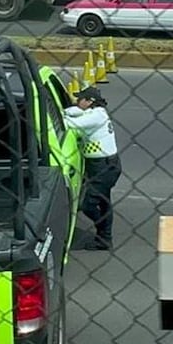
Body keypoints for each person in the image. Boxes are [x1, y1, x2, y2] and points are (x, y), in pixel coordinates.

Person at [64, 86, 121, 251]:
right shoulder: (95, 113)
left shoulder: (95, 117)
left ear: (89, 101)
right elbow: (75, 111)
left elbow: (70, 124)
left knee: (88, 205)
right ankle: (104, 238)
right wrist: (66, 111)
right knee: (103, 202)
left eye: (80, 98)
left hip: (103, 166)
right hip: (103, 165)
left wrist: (59, 116)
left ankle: (103, 233)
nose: (77, 101)